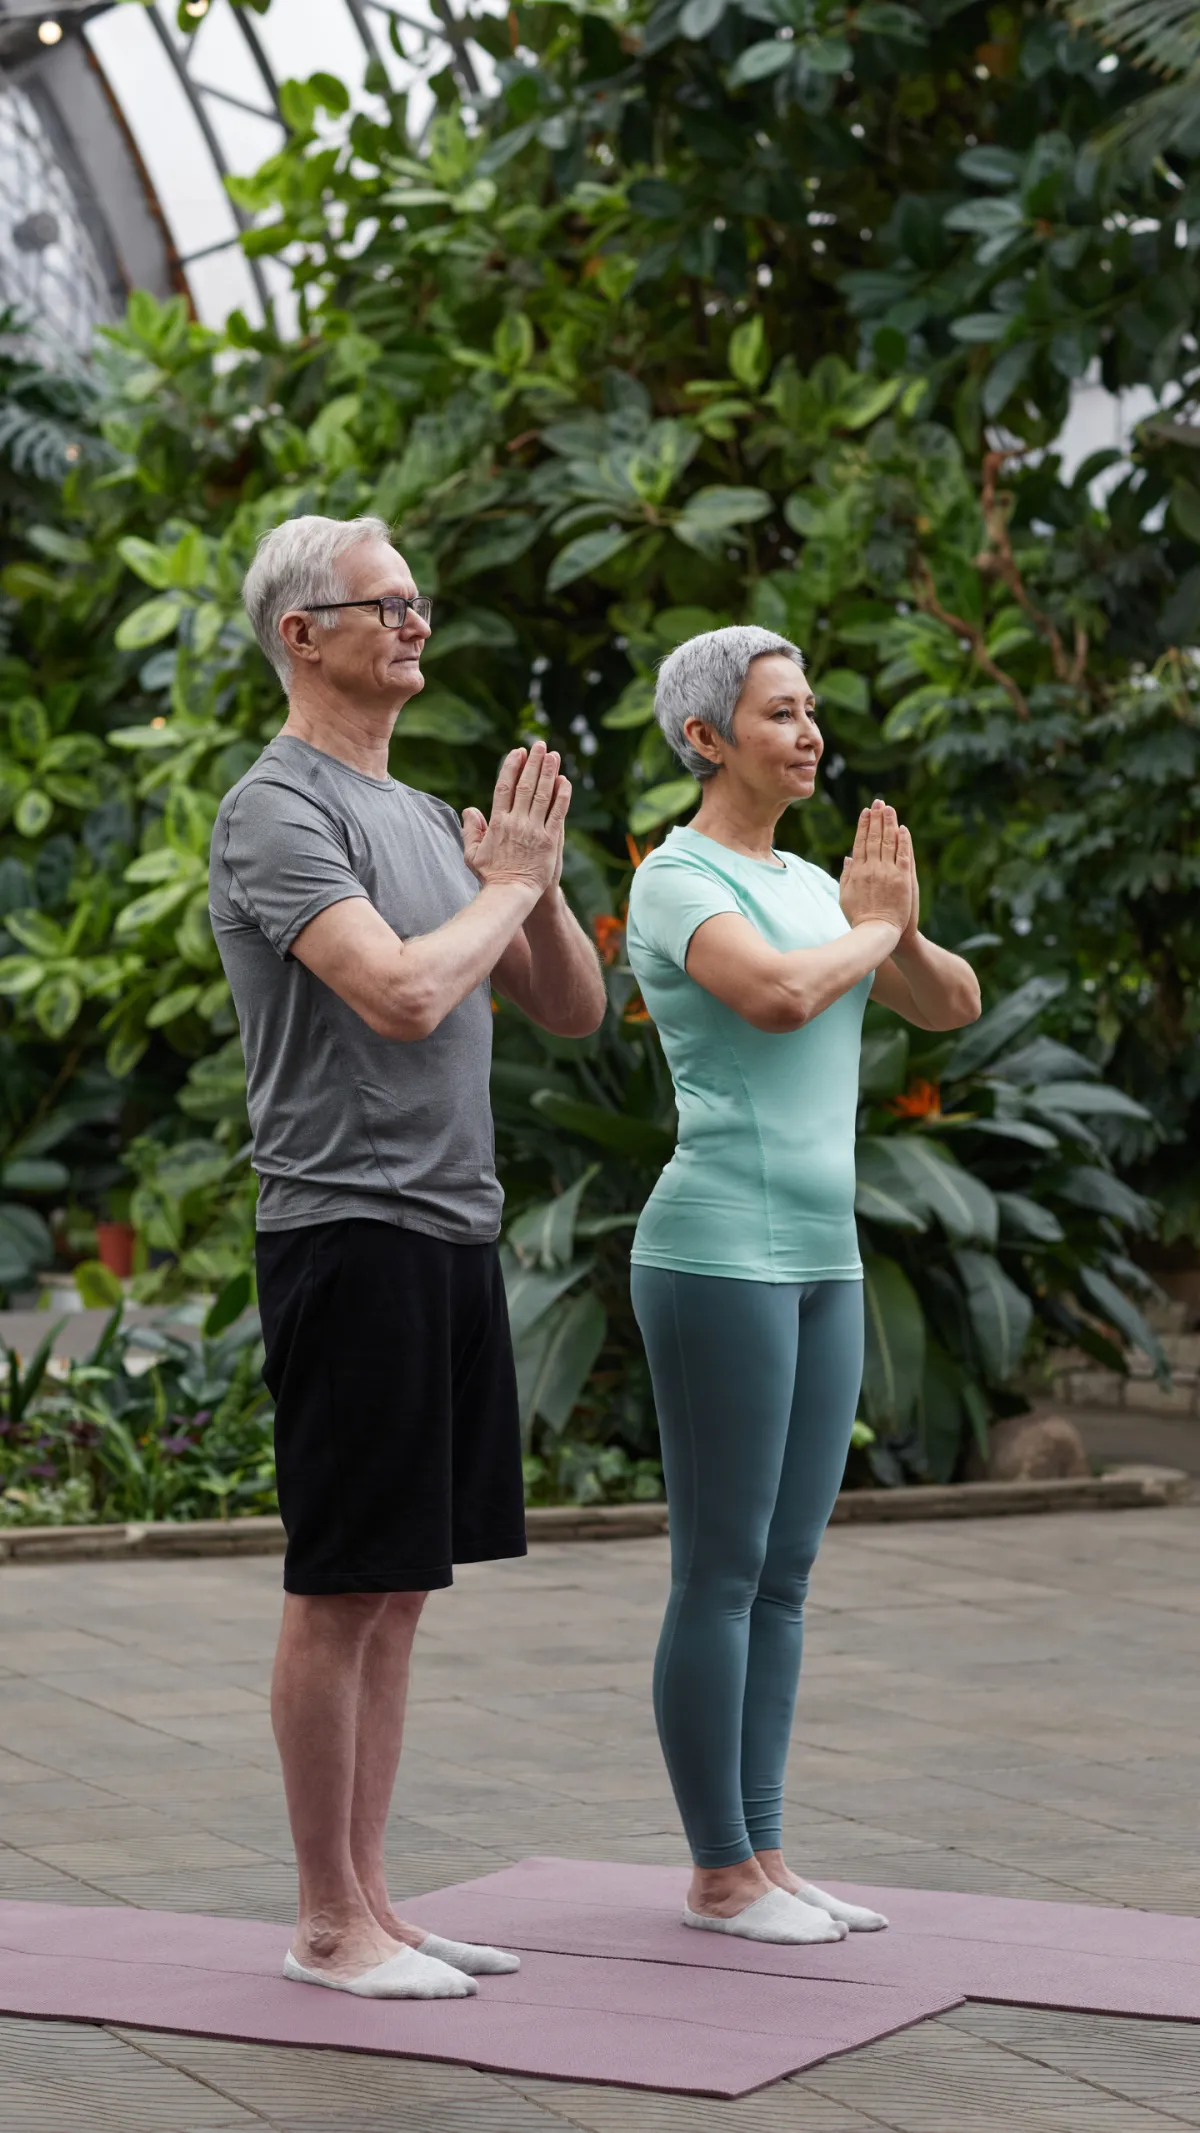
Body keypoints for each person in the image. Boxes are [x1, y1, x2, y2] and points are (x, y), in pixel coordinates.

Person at [209, 514, 606, 2000]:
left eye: (419, 601)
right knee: (340, 1582)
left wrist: (538, 880)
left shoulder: (439, 821)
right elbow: (397, 994)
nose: (417, 622)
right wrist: (497, 886)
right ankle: (326, 1925)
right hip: (345, 1227)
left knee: (401, 1588)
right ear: (305, 632)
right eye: (389, 603)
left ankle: (378, 1898)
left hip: (451, 1224)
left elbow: (567, 1009)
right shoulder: (273, 811)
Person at [625, 626, 980, 1948]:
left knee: (782, 1577)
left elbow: (948, 1003)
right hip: (715, 1249)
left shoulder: (825, 891)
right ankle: (715, 1872)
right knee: (717, 1574)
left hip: (823, 1256)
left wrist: (898, 930)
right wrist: (864, 931)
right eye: (781, 713)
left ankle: (767, 1858)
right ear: (709, 738)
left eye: (811, 709)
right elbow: (774, 998)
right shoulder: (677, 878)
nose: (810, 731)